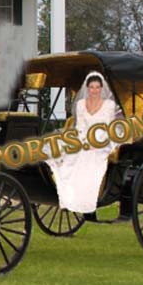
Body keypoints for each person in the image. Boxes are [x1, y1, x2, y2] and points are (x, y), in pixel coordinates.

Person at [46, 71, 119, 213]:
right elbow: (80, 126)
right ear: (87, 88)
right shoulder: (80, 104)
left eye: (97, 87)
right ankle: (67, 192)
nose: (95, 91)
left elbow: (109, 126)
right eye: (91, 87)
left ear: (102, 88)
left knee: (89, 156)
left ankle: (85, 196)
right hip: (83, 136)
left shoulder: (109, 105)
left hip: (102, 138)